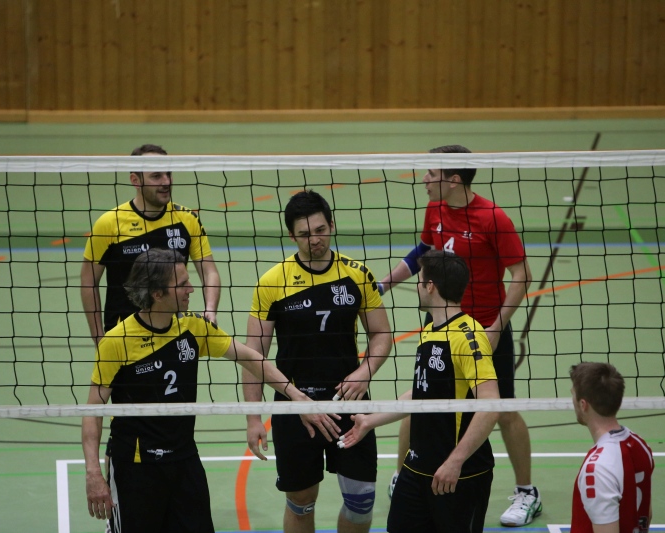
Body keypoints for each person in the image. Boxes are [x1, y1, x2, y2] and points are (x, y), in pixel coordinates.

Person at [82, 248, 313, 533]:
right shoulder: (117, 341)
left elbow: (250, 358)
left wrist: (296, 395)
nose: (191, 289)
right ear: (157, 293)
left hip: (184, 461)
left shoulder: (193, 327)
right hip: (136, 466)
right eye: (182, 284)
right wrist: (93, 473)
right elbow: (92, 412)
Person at [377, 144, 538, 526]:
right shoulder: (435, 208)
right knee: (420, 402)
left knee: (502, 409)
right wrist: (382, 285)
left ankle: (526, 491)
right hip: (442, 327)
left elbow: (522, 275)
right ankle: (405, 476)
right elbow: (423, 253)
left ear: (453, 179)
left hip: (484, 330)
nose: (424, 179)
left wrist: (496, 326)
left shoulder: (492, 218)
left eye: (431, 174)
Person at [243, 190, 393, 533]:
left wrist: (366, 372)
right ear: (292, 236)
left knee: (361, 503)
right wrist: (253, 418)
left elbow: (381, 333)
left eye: (321, 230)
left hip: (349, 403)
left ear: (332, 225)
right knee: (301, 502)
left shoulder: (357, 274)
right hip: (295, 406)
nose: (315, 240)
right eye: (305, 234)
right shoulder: (272, 282)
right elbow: (254, 355)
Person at [340, 249, 500, 533]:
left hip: (458, 473)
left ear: (430, 286)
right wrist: (369, 421)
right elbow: (420, 395)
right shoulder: (429, 332)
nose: (417, 285)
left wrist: (455, 461)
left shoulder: (468, 336)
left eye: (420, 279)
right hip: (418, 468)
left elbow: (490, 405)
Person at [81, 143, 221, 347]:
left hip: (173, 334)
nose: (166, 182)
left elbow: (209, 272)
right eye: (156, 176)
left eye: (168, 174)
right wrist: (98, 338)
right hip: (124, 337)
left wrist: (210, 309)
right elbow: (88, 281)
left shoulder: (187, 219)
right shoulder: (109, 223)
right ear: (135, 180)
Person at [569, 362, 654, 533]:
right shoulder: (640, 445)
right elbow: (646, 514)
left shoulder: (597, 468)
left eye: (573, 395)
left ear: (583, 405)